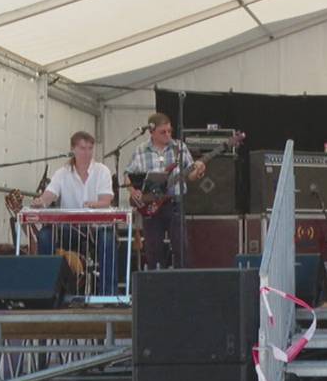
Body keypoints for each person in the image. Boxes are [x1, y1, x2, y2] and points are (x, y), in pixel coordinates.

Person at [32, 131, 118, 296]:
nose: (87, 153)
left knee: (107, 238)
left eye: (90, 148)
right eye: (82, 148)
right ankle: (47, 291)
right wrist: (41, 201)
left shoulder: (102, 171)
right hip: (69, 229)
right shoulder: (62, 173)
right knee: (45, 235)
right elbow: (50, 194)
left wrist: (93, 205)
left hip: (96, 228)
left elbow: (106, 200)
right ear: (73, 149)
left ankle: (108, 295)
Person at [126, 113, 205, 269]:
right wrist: (133, 191)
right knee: (153, 248)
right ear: (151, 132)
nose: (168, 135)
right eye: (163, 132)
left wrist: (199, 171)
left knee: (181, 247)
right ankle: (155, 280)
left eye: (170, 131)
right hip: (151, 205)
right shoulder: (140, 150)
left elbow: (190, 175)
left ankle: (182, 279)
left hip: (175, 202)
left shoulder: (179, 147)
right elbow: (127, 175)